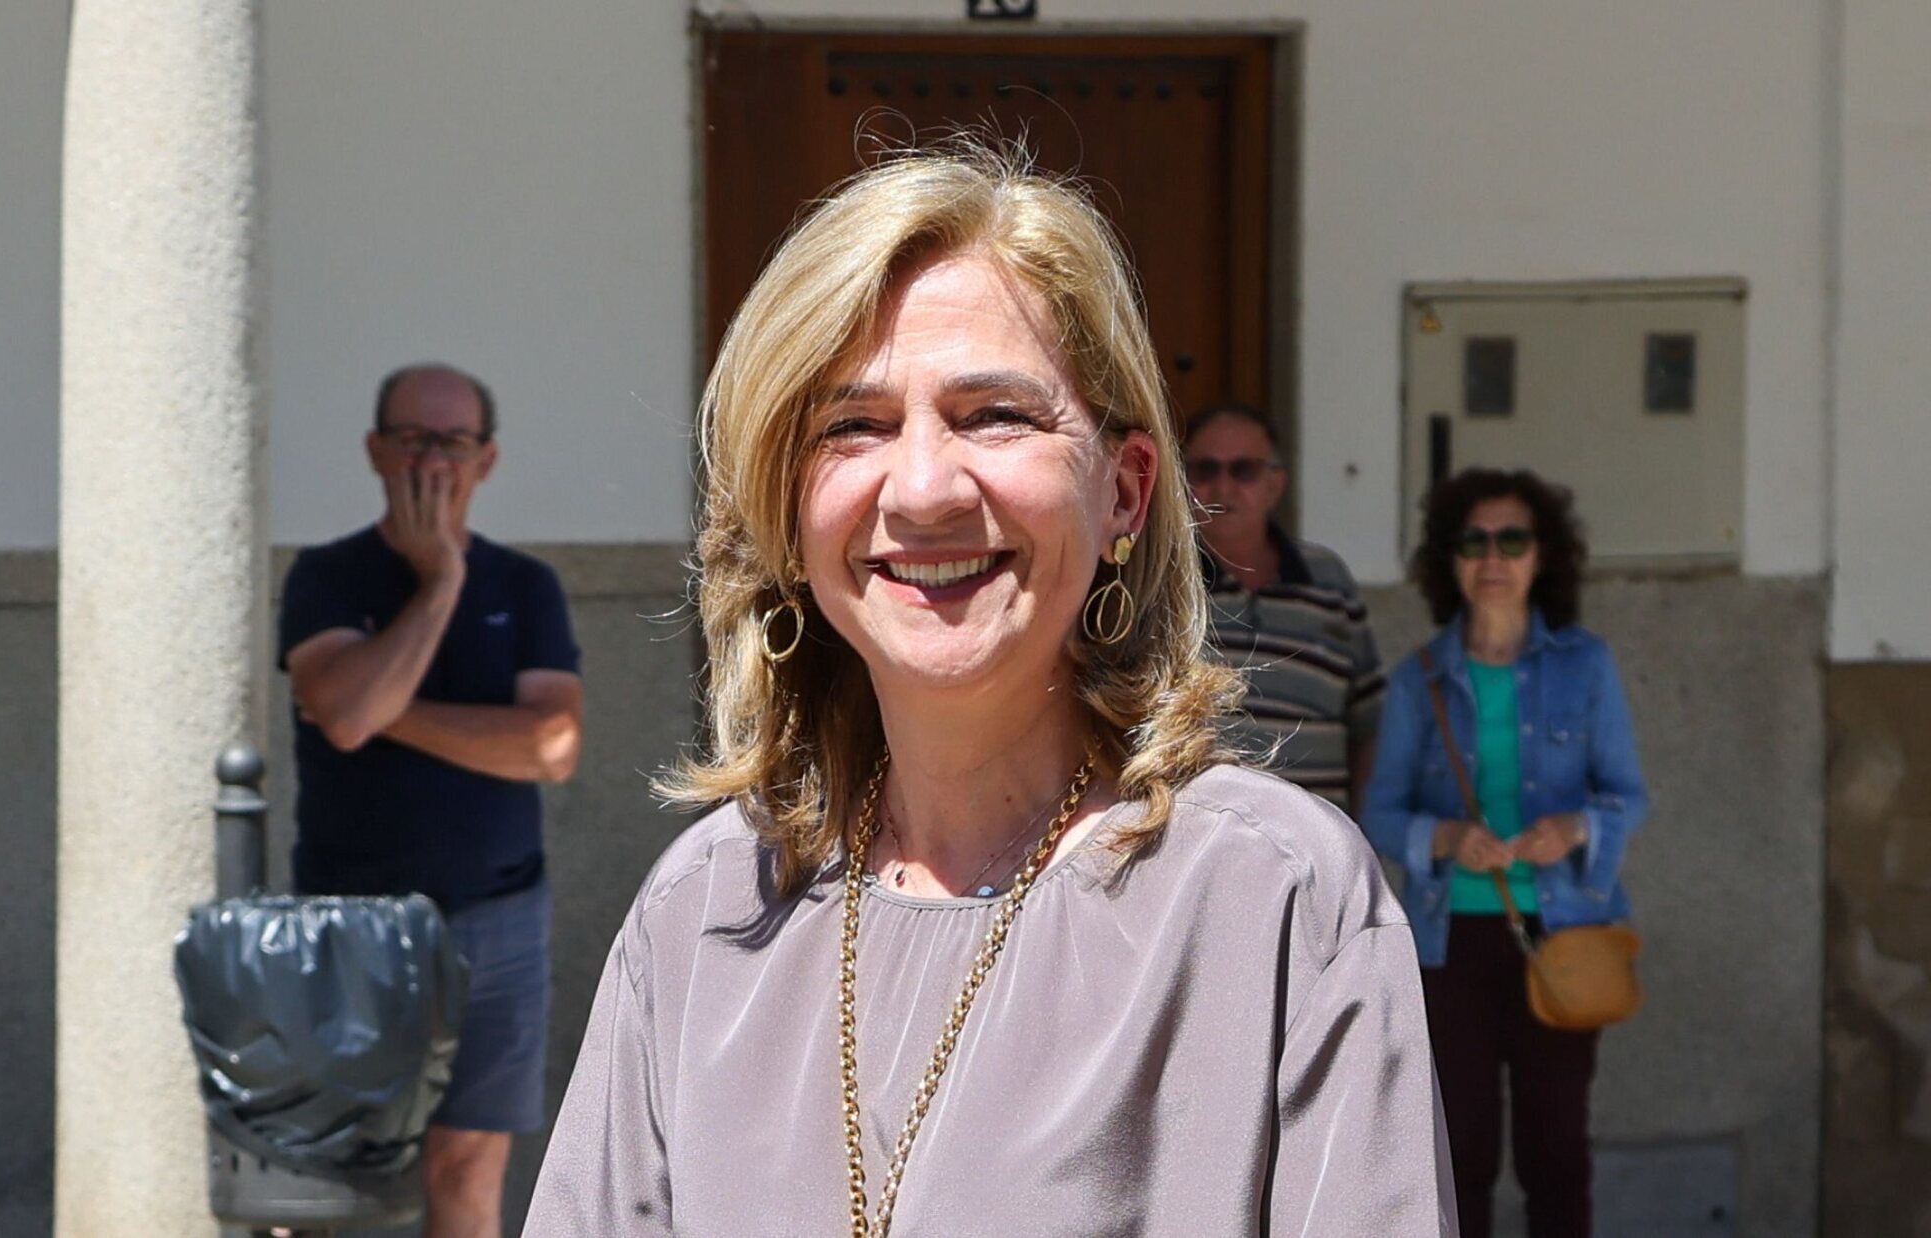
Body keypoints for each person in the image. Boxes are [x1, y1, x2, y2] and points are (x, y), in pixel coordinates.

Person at [527, 146, 1455, 1236]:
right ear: (784, 510)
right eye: (849, 426)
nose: (921, 489)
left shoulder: (1278, 903)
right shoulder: (705, 909)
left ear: (1122, 490)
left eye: (993, 414)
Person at [278, 363, 583, 1238]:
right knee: (335, 1176)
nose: (432, 460)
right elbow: (341, 720)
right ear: (376, 450)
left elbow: (554, 746)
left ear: (485, 460)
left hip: (500, 919)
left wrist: (384, 711)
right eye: (412, 438)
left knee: (467, 1163)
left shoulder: (526, 587)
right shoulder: (327, 577)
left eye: (452, 441)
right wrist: (438, 582)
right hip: (353, 922)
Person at [1360, 468, 1649, 1238]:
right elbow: (1381, 814)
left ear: (1541, 556)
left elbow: (1627, 794)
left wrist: (1577, 829)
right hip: (1450, 942)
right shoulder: (1421, 679)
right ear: (1449, 561)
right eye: (1474, 540)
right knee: (1462, 1155)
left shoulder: (1584, 665)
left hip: (1562, 934)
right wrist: (1449, 838)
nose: (1493, 557)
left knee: (1557, 1154)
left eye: (1512, 540)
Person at [1184, 403, 1385, 814]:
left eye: (1244, 471)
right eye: (1205, 470)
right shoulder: (1161, 583)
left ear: (1275, 484)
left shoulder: (1328, 581)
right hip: (1198, 848)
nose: (1223, 488)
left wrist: (1363, 834)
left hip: (1321, 850)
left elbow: (1369, 724)